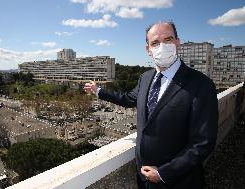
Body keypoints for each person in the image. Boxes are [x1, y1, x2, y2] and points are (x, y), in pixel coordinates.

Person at [84, 21, 218, 189]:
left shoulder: (201, 84)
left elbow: (203, 142)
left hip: (178, 181)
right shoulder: (145, 78)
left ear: (178, 42)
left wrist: (164, 173)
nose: (162, 46)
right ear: (148, 49)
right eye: (155, 42)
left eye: (168, 39)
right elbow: (128, 99)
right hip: (143, 176)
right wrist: (99, 91)